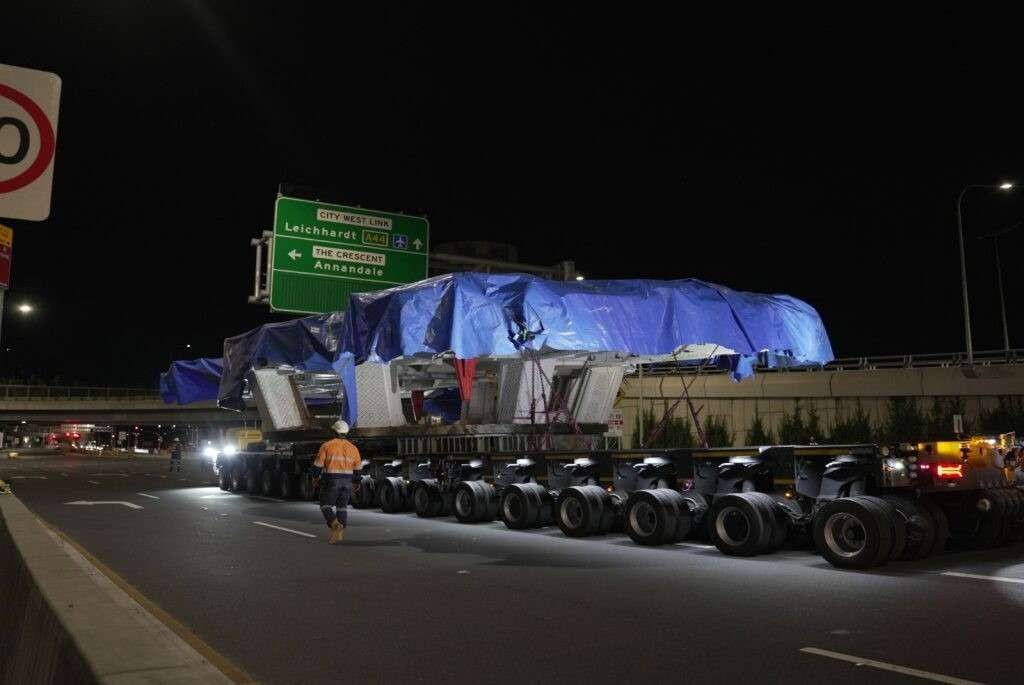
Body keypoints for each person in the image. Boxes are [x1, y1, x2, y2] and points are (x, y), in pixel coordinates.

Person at [311, 420, 362, 544]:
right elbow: (358, 468)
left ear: (334, 432)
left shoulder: (327, 446)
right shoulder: (353, 448)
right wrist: (356, 482)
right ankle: (338, 536)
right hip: (347, 482)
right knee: (342, 508)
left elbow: (318, 466)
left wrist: (315, 478)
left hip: (331, 480)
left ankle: (335, 524)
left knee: (325, 505)